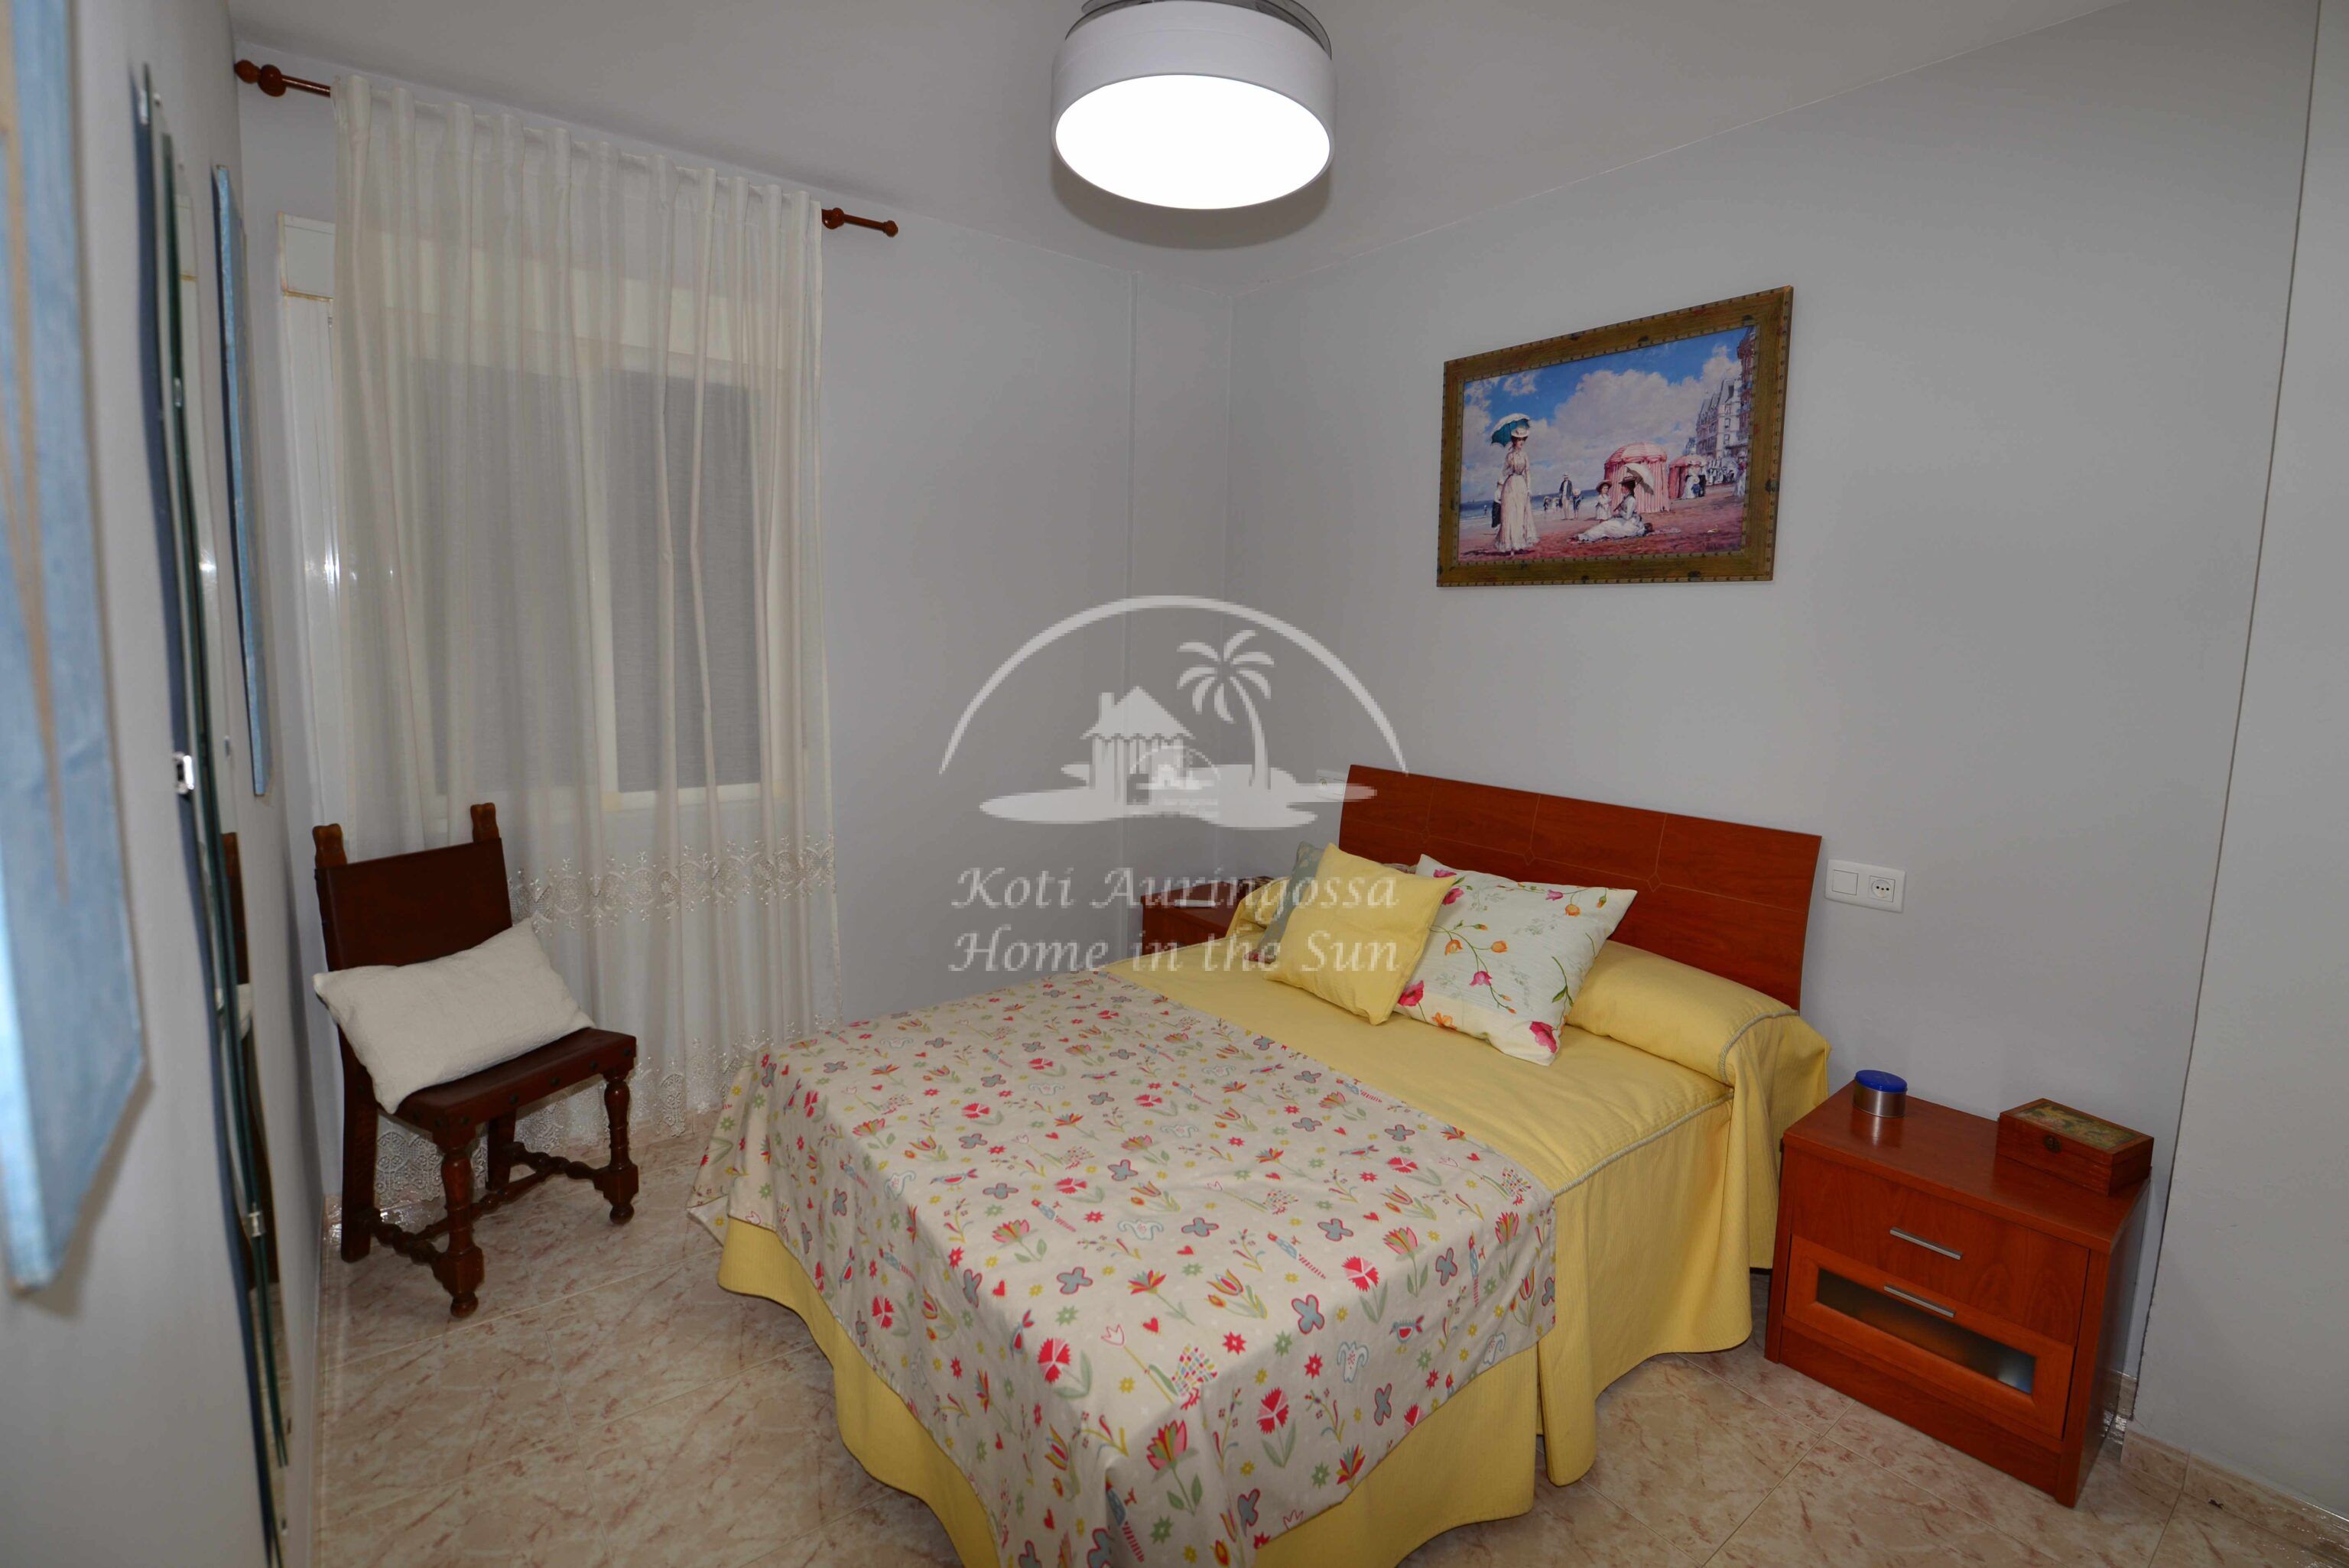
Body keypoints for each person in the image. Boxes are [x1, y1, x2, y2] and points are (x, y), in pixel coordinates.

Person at [1575, 470, 1653, 543]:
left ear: (1627, 488)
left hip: (1630, 525)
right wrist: (1616, 515)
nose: (1621, 488)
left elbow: (1627, 517)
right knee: (1606, 523)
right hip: (1626, 522)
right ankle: (1586, 535)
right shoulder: (1626, 498)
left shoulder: (1631, 500)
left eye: (1623, 486)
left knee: (1605, 526)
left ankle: (1587, 537)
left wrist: (1620, 510)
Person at [1493, 425, 1537, 554]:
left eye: (1523, 439)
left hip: (1521, 485)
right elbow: (1504, 472)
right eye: (1519, 439)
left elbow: (1528, 472)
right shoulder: (1509, 456)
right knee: (1510, 515)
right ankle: (1510, 546)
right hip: (1510, 485)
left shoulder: (1525, 455)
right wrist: (1510, 468)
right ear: (1514, 441)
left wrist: (1529, 488)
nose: (1521, 442)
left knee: (1521, 515)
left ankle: (1519, 545)